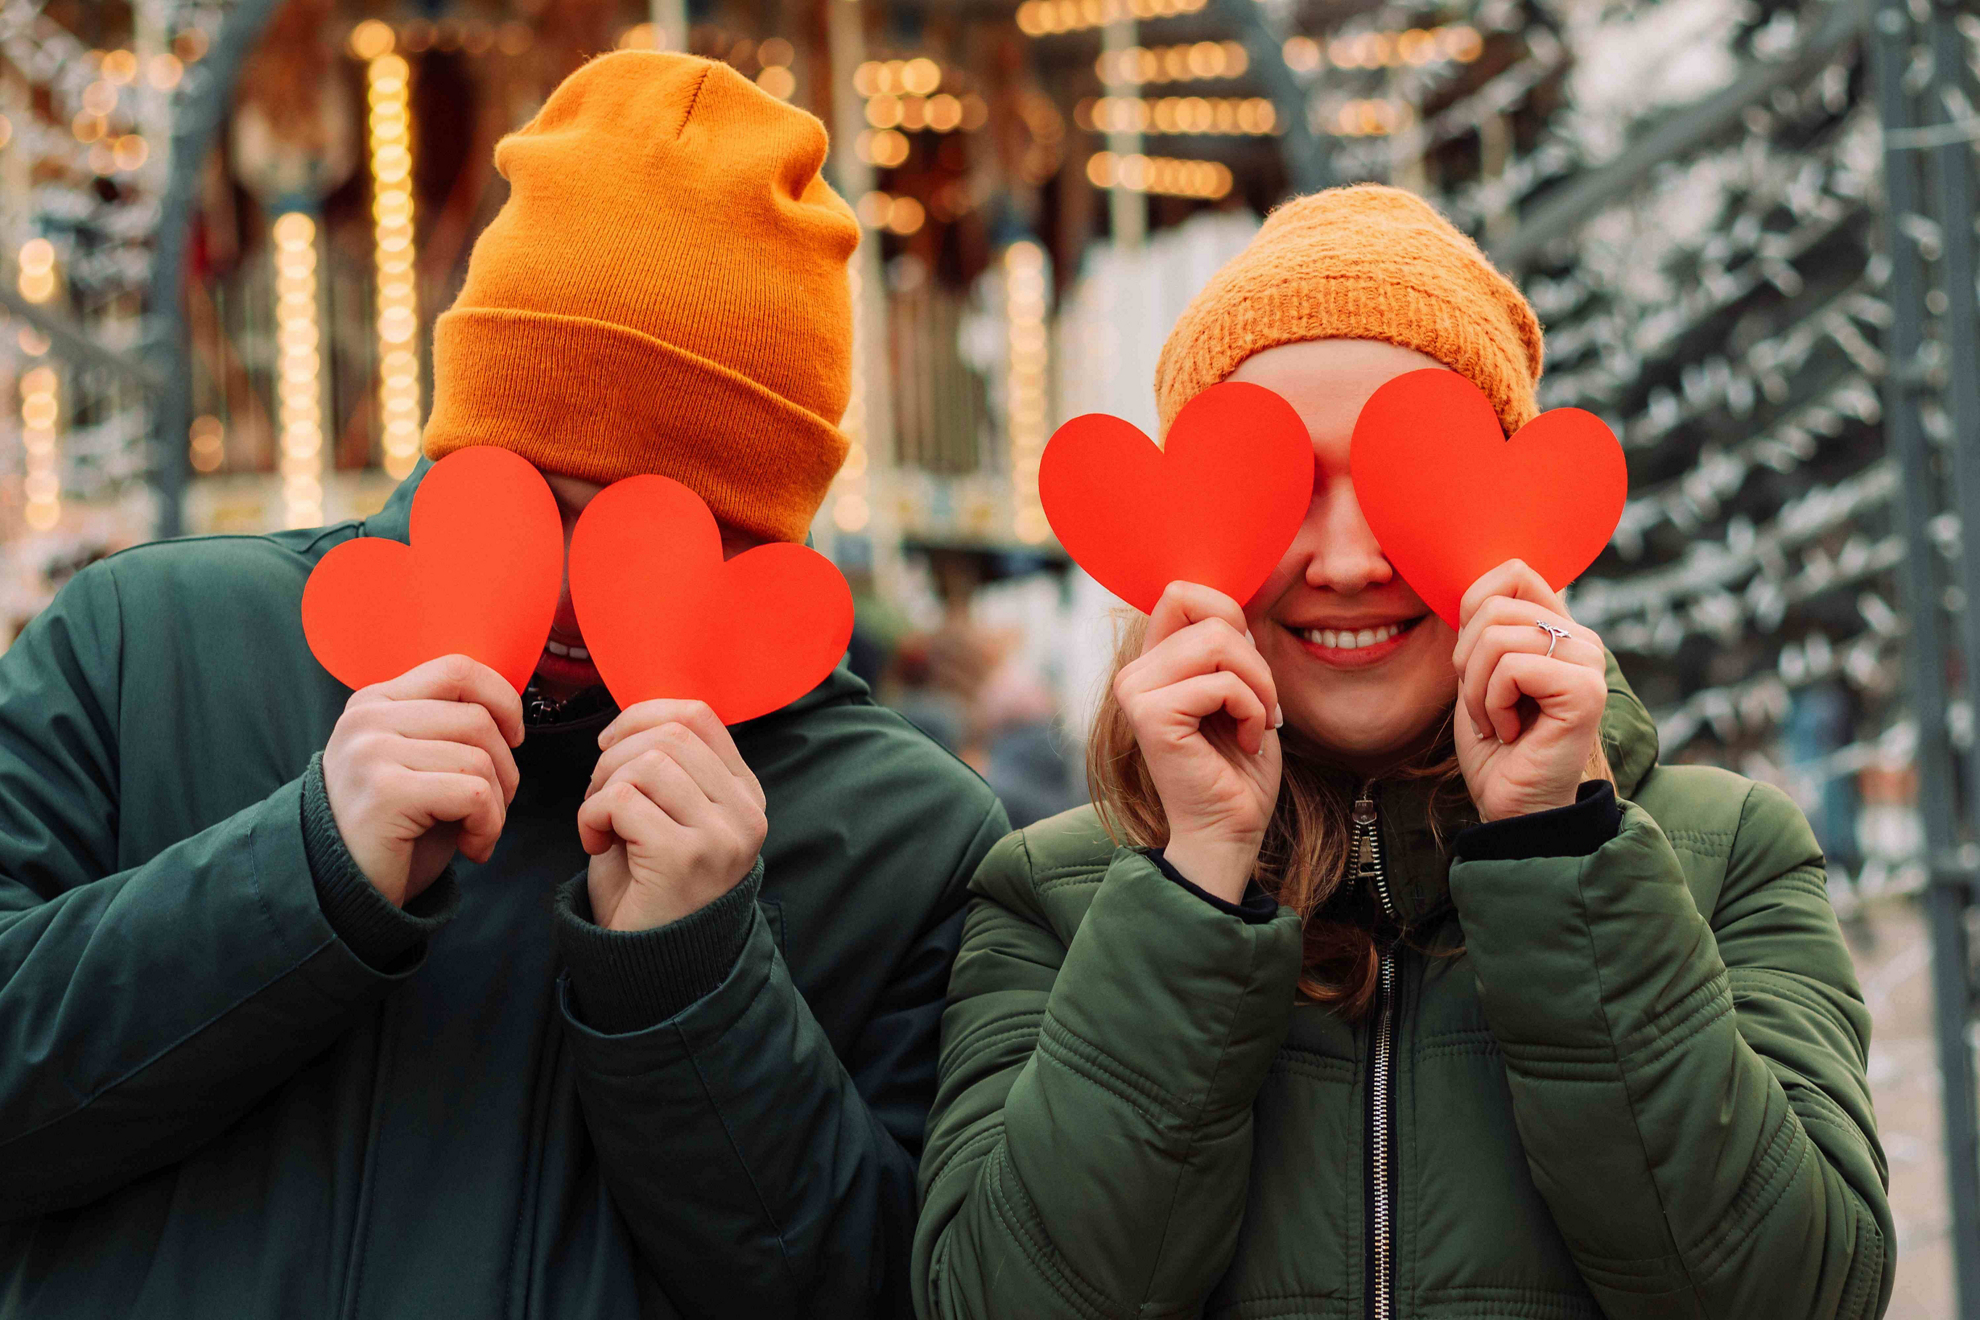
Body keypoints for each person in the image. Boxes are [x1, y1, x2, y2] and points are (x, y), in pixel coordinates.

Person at [0, 53, 1006, 1318]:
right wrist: (299, 872)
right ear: (465, 439)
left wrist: (698, 981)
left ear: (777, 537)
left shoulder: (912, 836)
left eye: (676, 533)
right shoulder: (140, 645)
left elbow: (894, 1286)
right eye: (543, 493)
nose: (586, 589)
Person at [914, 186, 1892, 1320]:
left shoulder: (1727, 858)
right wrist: (1194, 885)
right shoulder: (1049, 896)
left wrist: (1560, 852)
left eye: (1400, 480)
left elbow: (1800, 1296)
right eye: (1280, 485)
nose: (1344, 559)